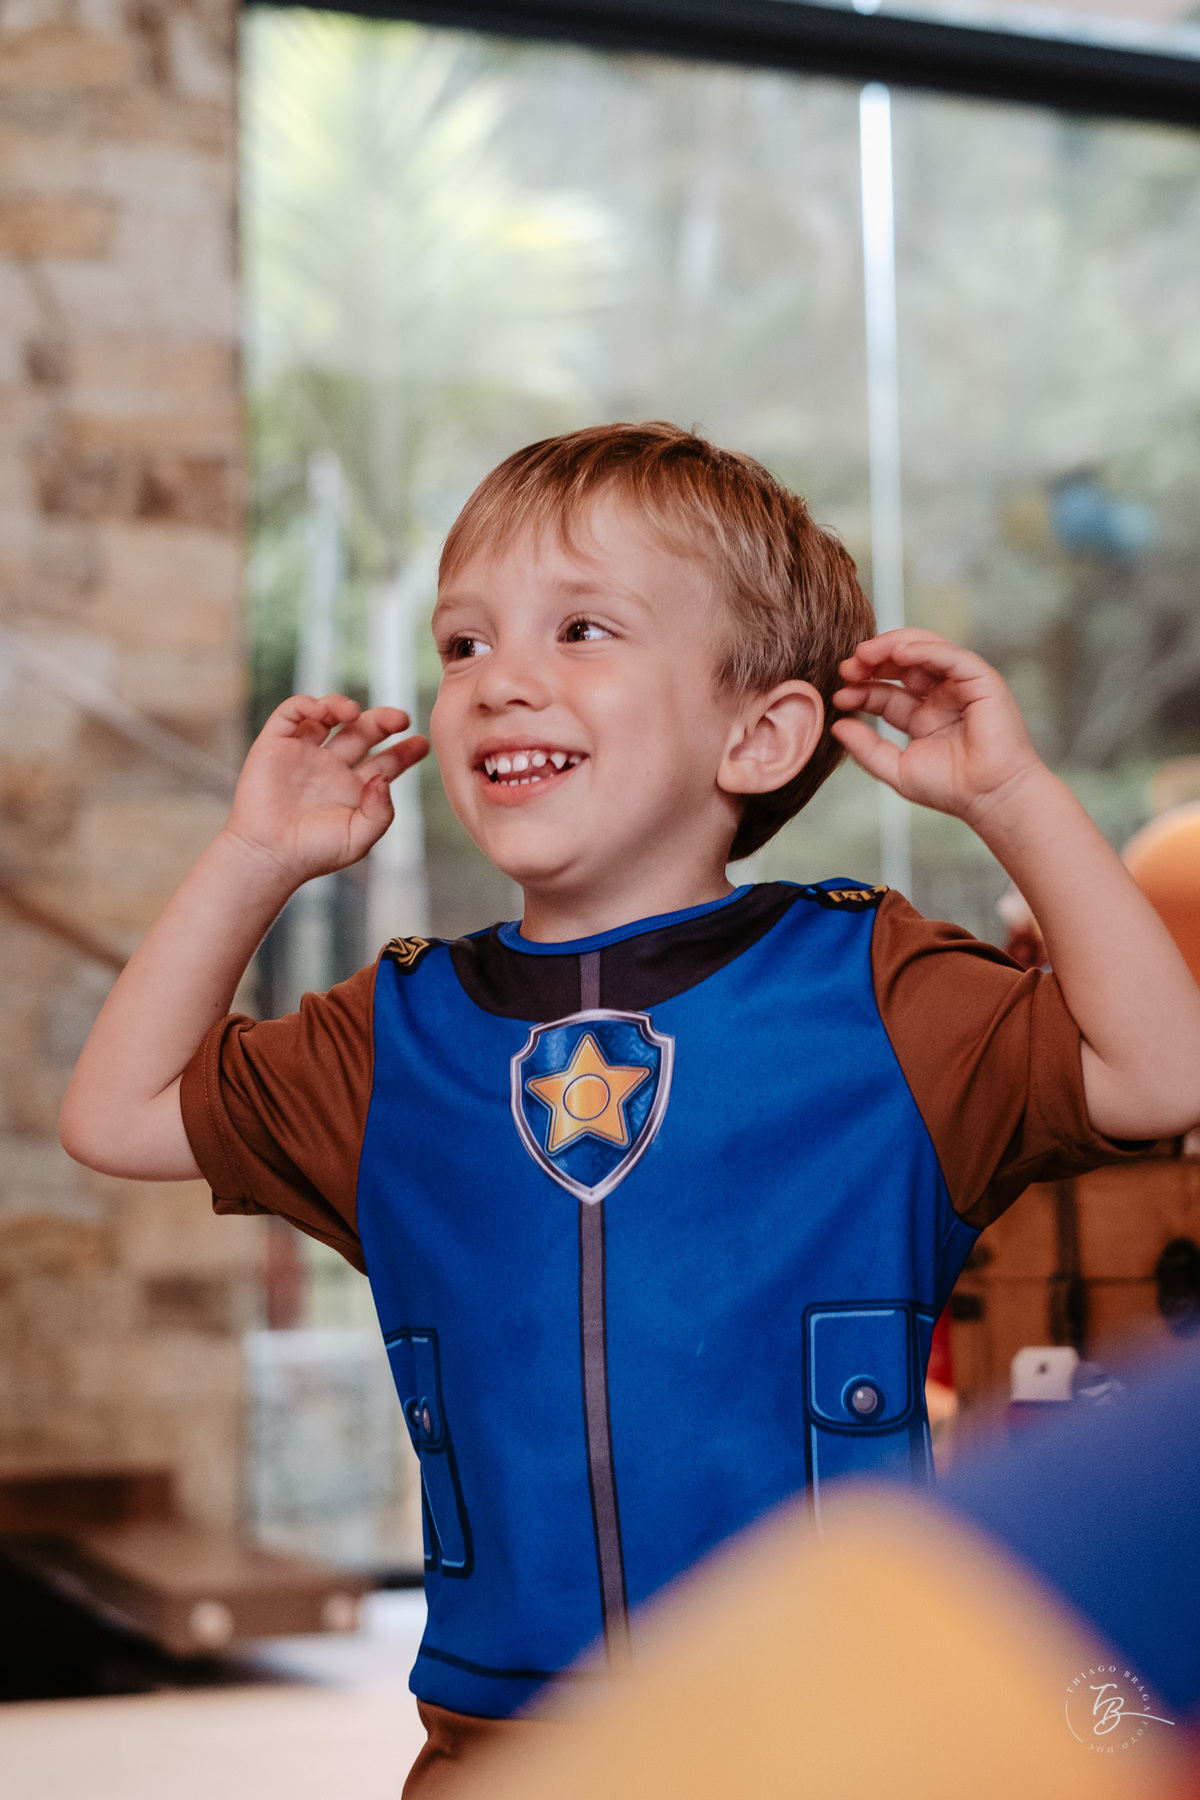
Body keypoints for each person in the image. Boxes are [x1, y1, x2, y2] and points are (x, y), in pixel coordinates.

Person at [59, 423, 1200, 1796]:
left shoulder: (881, 992)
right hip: (500, 1745)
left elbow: (1163, 1073)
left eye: (581, 629)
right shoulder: (393, 1039)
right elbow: (116, 1115)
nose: (499, 684)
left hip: (829, 1733)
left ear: (761, 732)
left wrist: (1010, 798)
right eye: (465, 644)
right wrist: (256, 859)